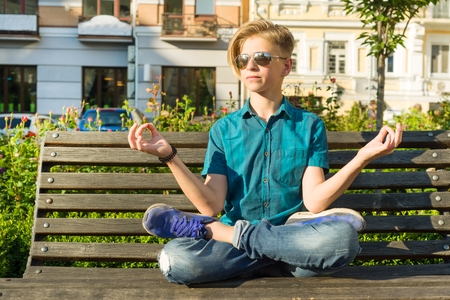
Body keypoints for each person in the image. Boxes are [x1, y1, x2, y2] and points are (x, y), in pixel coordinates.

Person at [128, 20, 403, 285]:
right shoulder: (223, 130)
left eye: (261, 57)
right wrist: (168, 155)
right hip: (290, 252)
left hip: (271, 237)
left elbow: (315, 201)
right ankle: (269, 256)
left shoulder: (309, 126)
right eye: (242, 59)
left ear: (286, 65)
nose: (250, 65)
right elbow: (211, 206)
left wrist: (361, 158)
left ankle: (220, 233)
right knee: (176, 260)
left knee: (341, 241)